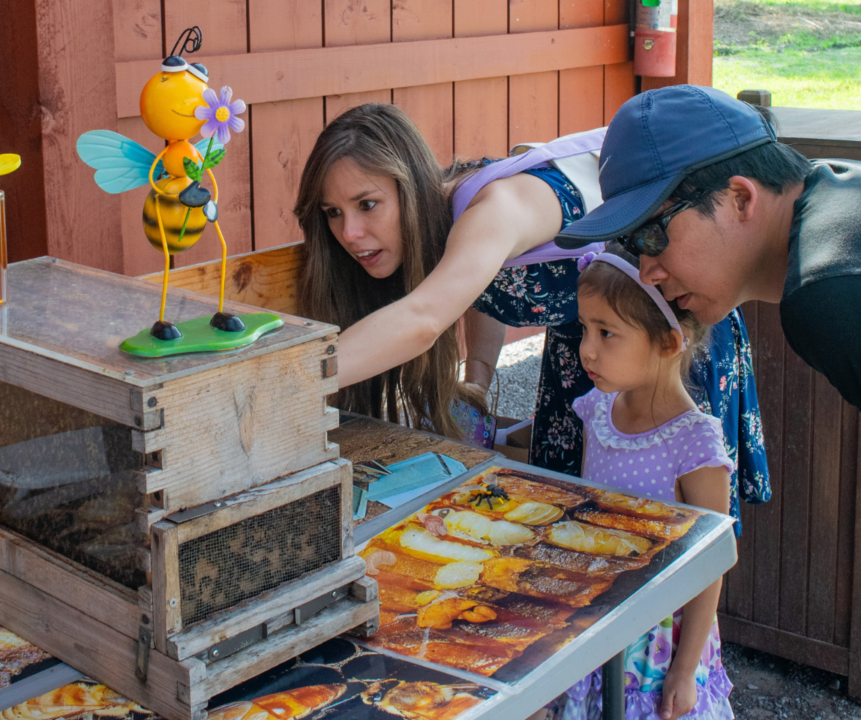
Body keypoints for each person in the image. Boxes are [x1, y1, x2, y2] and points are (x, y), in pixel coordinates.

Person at [294, 104, 769, 530]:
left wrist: (286, 383)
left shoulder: (495, 209)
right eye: (333, 212)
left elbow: (426, 317)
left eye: (367, 204)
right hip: (586, 350)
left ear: (410, 184)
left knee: (666, 526)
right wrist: (477, 380)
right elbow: (474, 291)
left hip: (660, 345)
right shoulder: (443, 216)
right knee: (572, 529)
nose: (350, 232)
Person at [556, 84, 861, 409]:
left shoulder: (829, 290)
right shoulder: (836, 184)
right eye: (630, 244)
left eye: (651, 235)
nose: (647, 273)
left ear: (739, 199)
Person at [552, 245, 734, 720]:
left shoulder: (695, 446)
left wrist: (685, 667)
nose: (586, 349)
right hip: (593, 618)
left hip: (655, 646)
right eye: (585, 329)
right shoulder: (597, 409)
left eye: (606, 333)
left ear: (669, 342)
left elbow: (710, 564)